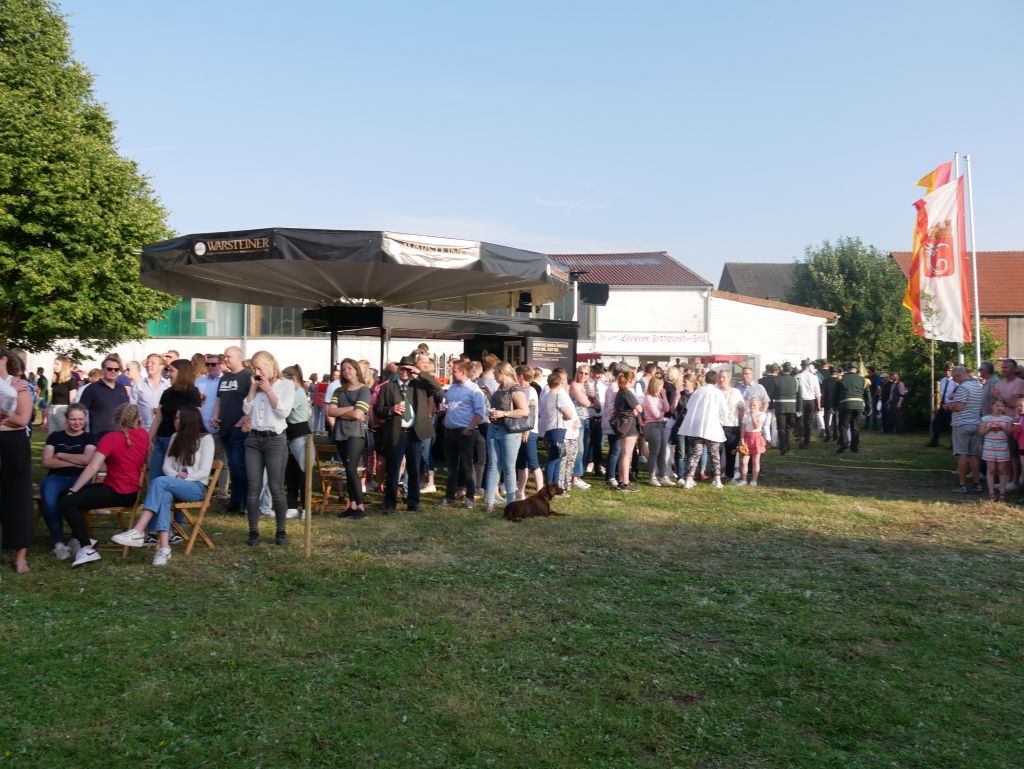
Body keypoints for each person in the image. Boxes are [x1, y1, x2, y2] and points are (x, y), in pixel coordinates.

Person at [112, 406, 214, 566]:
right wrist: (176, 476)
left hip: (196, 487)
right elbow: (167, 466)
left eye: (177, 418)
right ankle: (164, 548)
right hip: (174, 484)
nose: (174, 421)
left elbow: (204, 472)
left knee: (159, 481)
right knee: (165, 494)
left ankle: (138, 530)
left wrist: (184, 479)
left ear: (187, 420)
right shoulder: (175, 436)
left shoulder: (206, 439)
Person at [58, 404, 149, 568]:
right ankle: (82, 538)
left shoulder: (111, 438)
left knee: (67, 501)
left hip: (117, 492)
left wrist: (73, 490)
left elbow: (93, 467)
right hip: (129, 493)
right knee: (64, 494)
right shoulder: (143, 435)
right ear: (137, 419)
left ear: (116, 419)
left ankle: (87, 548)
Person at [374, 354, 442, 515]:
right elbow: (378, 410)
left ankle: (413, 502)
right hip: (396, 432)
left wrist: (419, 372)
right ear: (397, 369)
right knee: (393, 469)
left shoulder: (419, 386)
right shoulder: (388, 387)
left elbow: (437, 387)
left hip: (414, 433)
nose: (404, 372)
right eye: (402, 368)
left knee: (414, 469)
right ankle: (390, 503)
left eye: (408, 369)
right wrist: (391, 410)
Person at [241, 351, 294, 545]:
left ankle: (281, 531)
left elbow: (283, 412)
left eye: (260, 367)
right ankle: (253, 531)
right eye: (254, 368)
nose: (257, 372)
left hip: (275, 440)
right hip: (254, 439)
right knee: (253, 488)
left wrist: (269, 390)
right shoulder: (255, 385)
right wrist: (253, 388)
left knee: (275, 487)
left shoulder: (286, 385)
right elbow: (246, 409)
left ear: (271, 363)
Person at [40, 404, 97, 560]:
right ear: (66, 419)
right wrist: (77, 462)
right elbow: (46, 462)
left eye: (80, 419)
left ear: (85, 419)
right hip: (56, 477)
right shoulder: (55, 437)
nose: (77, 422)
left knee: (75, 500)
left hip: (79, 478)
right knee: (49, 498)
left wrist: (61, 455)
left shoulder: (89, 437)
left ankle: (76, 538)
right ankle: (58, 543)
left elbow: (87, 460)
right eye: (73, 419)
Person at [0, 347, 34, 573]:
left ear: (3, 359)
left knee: (19, 496)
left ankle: (21, 557)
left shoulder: (19, 384)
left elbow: (22, 419)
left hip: (14, 443)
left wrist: (6, 418)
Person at [484, 362, 530, 514]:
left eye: (495, 372)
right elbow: (499, 406)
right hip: (494, 428)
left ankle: (511, 503)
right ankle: (490, 502)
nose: (493, 375)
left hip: (509, 432)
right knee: (493, 465)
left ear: (502, 372)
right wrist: (490, 397)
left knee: (509, 467)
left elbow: (524, 411)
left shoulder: (515, 389)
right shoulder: (500, 388)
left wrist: (503, 414)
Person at [328, 358, 372, 519]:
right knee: (347, 469)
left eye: (350, 368)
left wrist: (342, 412)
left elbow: (358, 415)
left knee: (352, 468)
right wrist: (350, 408)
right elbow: (330, 411)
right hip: (340, 433)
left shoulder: (364, 390)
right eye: (344, 369)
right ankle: (352, 506)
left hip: (355, 433)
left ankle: (360, 507)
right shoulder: (338, 391)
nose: (346, 371)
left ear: (356, 370)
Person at [440, 360, 486, 509]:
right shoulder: (452, 387)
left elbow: (480, 412)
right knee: (451, 467)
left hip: (465, 432)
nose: (451, 373)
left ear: (463, 372)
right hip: (450, 432)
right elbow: (449, 406)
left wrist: (470, 428)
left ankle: (470, 497)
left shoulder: (474, 390)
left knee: (467, 466)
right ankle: (450, 495)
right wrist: (444, 413)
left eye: (454, 371)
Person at [211, 346, 252, 514]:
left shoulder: (247, 376)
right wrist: (215, 416)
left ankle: (242, 501)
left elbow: (253, 401)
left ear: (239, 357)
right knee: (232, 465)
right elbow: (219, 401)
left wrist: (243, 420)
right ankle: (235, 499)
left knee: (239, 464)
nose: (226, 359)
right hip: (224, 428)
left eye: (229, 356)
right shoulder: (224, 378)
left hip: (240, 428)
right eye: (225, 356)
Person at [149, 359, 201, 480]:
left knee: (171, 478)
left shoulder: (192, 392)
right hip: (161, 439)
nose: (168, 374)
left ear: (182, 372)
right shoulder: (167, 392)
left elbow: (195, 418)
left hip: (178, 442)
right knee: (154, 476)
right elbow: (158, 418)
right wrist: (150, 438)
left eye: (171, 371)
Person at [679, 369, 727, 489]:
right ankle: (717, 480)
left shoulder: (698, 391)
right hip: (712, 427)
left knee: (695, 453)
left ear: (705, 379)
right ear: (716, 380)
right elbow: (724, 411)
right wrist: (722, 422)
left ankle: (688, 479)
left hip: (696, 427)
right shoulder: (718, 393)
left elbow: (689, 406)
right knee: (714, 454)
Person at [944, 365, 983, 493]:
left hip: (962, 424)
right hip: (976, 423)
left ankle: (962, 485)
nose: (955, 381)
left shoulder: (963, 387)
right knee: (973, 456)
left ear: (959, 375)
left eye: (955, 378)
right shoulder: (978, 386)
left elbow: (959, 407)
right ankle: (977, 484)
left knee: (962, 455)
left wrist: (948, 406)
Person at [282, 365, 311, 519]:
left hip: (300, 432)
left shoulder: (299, 393)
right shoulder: (292, 392)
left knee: (302, 471)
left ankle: (306, 507)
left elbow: (285, 409)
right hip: (290, 431)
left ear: (292, 379)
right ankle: (292, 505)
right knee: (290, 471)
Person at [78, 355, 130, 437]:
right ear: (103, 370)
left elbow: (127, 412)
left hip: (120, 437)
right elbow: (80, 412)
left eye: (116, 369)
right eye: (109, 369)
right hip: (99, 438)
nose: (113, 371)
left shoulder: (122, 388)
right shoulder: (92, 389)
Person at [611, 368, 643, 492]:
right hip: (629, 425)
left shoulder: (620, 392)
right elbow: (639, 408)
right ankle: (625, 482)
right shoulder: (627, 392)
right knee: (627, 454)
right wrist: (637, 409)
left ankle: (621, 480)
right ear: (631, 380)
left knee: (624, 454)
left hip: (622, 424)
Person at [515, 365, 543, 500]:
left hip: (529, 431)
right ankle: (520, 491)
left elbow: (532, 412)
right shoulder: (521, 390)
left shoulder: (530, 390)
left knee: (533, 462)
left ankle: (541, 491)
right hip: (521, 430)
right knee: (522, 463)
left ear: (520, 376)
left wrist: (526, 430)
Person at [542, 371, 575, 486]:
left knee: (556, 457)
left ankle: (554, 485)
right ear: (559, 383)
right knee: (555, 458)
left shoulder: (547, 396)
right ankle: (550, 485)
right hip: (557, 429)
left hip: (551, 429)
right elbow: (569, 414)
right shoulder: (559, 396)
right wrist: (566, 416)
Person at [980, 398, 1013, 502]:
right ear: (992, 407)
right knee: (991, 469)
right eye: (997, 405)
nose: (999, 408)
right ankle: (991, 493)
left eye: (1002, 406)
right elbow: (981, 432)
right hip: (989, 446)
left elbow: (1010, 434)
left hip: (1002, 446)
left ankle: (1002, 493)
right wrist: (989, 428)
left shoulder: (1007, 419)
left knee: (1002, 470)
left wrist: (1003, 427)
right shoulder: (986, 419)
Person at [568, 366, 595, 490]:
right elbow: (585, 402)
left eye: (586, 373)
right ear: (577, 373)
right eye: (581, 373)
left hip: (586, 419)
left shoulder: (588, 386)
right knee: (579, 449)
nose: (583, 375)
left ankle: (578, 476)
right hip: (577, 420)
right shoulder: (574, 385)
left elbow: (595, 402)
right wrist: (593, 403)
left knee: (584, 449)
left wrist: (593, 400)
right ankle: (574, 477)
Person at [834, 362, 871, 454]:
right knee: (855, 427)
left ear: (847, 369)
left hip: (845, 405)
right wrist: (869, 408)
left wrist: (834, 406)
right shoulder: (863, 380)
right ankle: (854, 447)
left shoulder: (841, 379)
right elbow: (867, 395)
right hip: (858, 405)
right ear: (857, 369)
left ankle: (844, 443)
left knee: (843, 426)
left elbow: (835, 394)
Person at [642, 376, 670, 486]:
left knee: (662, 452)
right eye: (661, 386)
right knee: (654, 452)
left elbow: (667, 409)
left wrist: (664, 396)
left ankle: (662, 476)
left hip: (661, 425)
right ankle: (652, 477)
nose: (662, 388)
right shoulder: (648, 397)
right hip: (652, 426)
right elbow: (656, 415)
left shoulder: (659, 397)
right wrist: (662, 413)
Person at [132, 353, 169, 431]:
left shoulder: (168, 386)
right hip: (143, 430)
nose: (148, 365)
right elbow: (132, 406)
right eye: (148, 363)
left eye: (153, 363)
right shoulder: (139, 385)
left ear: (161, 366)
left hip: (164, 430)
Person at [718, 370, 744, 480]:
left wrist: (743, 426)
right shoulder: (715, 391)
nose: (721, 379)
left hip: (732, 426)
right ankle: (716, 474)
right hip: (717, 426)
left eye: (724, 377)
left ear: (729, 378)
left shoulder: (736, 392)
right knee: (716, 451)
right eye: (720, 377)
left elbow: (741, 409)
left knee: (731, 452)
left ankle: (729, 474)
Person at [736, 395, 766, 486]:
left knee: (755, 461)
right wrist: (742, 439)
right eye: (750, 405)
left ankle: (754, 480)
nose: (752, 407)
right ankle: (744, 480)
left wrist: (753, 415)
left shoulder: (762, 414)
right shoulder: (746, 414)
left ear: (759, 406)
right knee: (744, 461)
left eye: (754, 405)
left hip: (757, 438)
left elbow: (756, 426)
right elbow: (743, 427)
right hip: (747, 438)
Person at [48, 356, 79, 434]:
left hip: (63, 411)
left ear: (63, 366)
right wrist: (47, 414)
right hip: (52, 410)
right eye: (54, 364)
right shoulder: (55, 380)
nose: (54, 366)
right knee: (51, 436)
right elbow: (53, 398)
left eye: (57, 364)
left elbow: (73, 401)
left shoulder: (71, 381)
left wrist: (72, 417)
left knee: (64, 435)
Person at [927, 364, 956, 447]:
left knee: (951, 425)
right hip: (942, 405)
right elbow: (940, 393)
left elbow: (957, 393)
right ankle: (934, 442)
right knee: (936, 423)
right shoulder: (942, 380)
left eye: (949, 370)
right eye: (946, 370)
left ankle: (953, 445)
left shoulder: (955, 381)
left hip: (951, 405)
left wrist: (951, 404)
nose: (947, 372)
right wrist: (938, 404)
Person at [796, 360, 822, 449]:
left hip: (801, 401)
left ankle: (801, 437)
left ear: (801, 366)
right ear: (808, 366)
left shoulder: (797, 377)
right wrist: (819, 405)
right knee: (808, 421)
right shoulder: (814, 377)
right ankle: (807, 441)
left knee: (800, 421)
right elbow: (817, 392)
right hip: (811, 401)